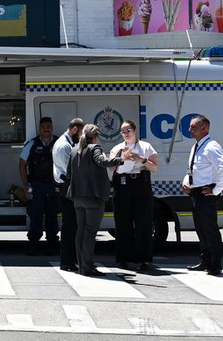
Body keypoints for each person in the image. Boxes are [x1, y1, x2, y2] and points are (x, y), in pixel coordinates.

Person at [65, 123, 123, 276]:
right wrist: (119, 159)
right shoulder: (94, 148)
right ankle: (87, 266)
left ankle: (81, 265)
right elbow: (103, 162)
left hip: (77, 197)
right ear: (96, 136)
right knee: (90, 232)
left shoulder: (73, 150)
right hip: (93, 197)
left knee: (81, 230)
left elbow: (68, 174)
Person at [182, 114, 223, 275]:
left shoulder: (211, 146)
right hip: (196, 192)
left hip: (206, 193)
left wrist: (215, 190)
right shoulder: (196, 146)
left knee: (210, 230)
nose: (190, 130)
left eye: (193, 127)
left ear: (204, 128)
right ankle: (205, 261)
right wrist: (186, 181)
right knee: (200, 230)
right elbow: (192, 168)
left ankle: (215, 265)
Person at [108, 120, 159, 272]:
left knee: (144, 222)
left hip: (141, 185)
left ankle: (144, 259)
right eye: (123, 131)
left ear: (135, 130)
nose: (125, 134)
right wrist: (121, 158)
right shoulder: (117, 148)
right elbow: (111, 167)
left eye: (128, 130)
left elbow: (154, 167)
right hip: (122, 185)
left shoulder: (145, 146)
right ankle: (123, 258)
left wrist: (140, 159)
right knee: (123, 223)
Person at [19, 116, 59, 253]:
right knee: (35, 215)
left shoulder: (59, 143)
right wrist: (25, 185)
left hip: (54, 185)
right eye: (43, 127)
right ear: (39, 128)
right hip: (35, 185)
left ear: (52, 127)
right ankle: (34, 244)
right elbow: (22, 164)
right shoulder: (32, 144)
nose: (46, 129)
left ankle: (52, 244)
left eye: (48, 126)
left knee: (52, 215)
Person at [51, 117, 84, 272]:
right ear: (75, 129)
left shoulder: (67, 143)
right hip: (66, 187)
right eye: (81, 132)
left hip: (67, 186)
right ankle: (67, 261)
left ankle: (72, 260)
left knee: (73, 225)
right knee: (69, 226)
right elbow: (69, 169)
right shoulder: (64, 146)